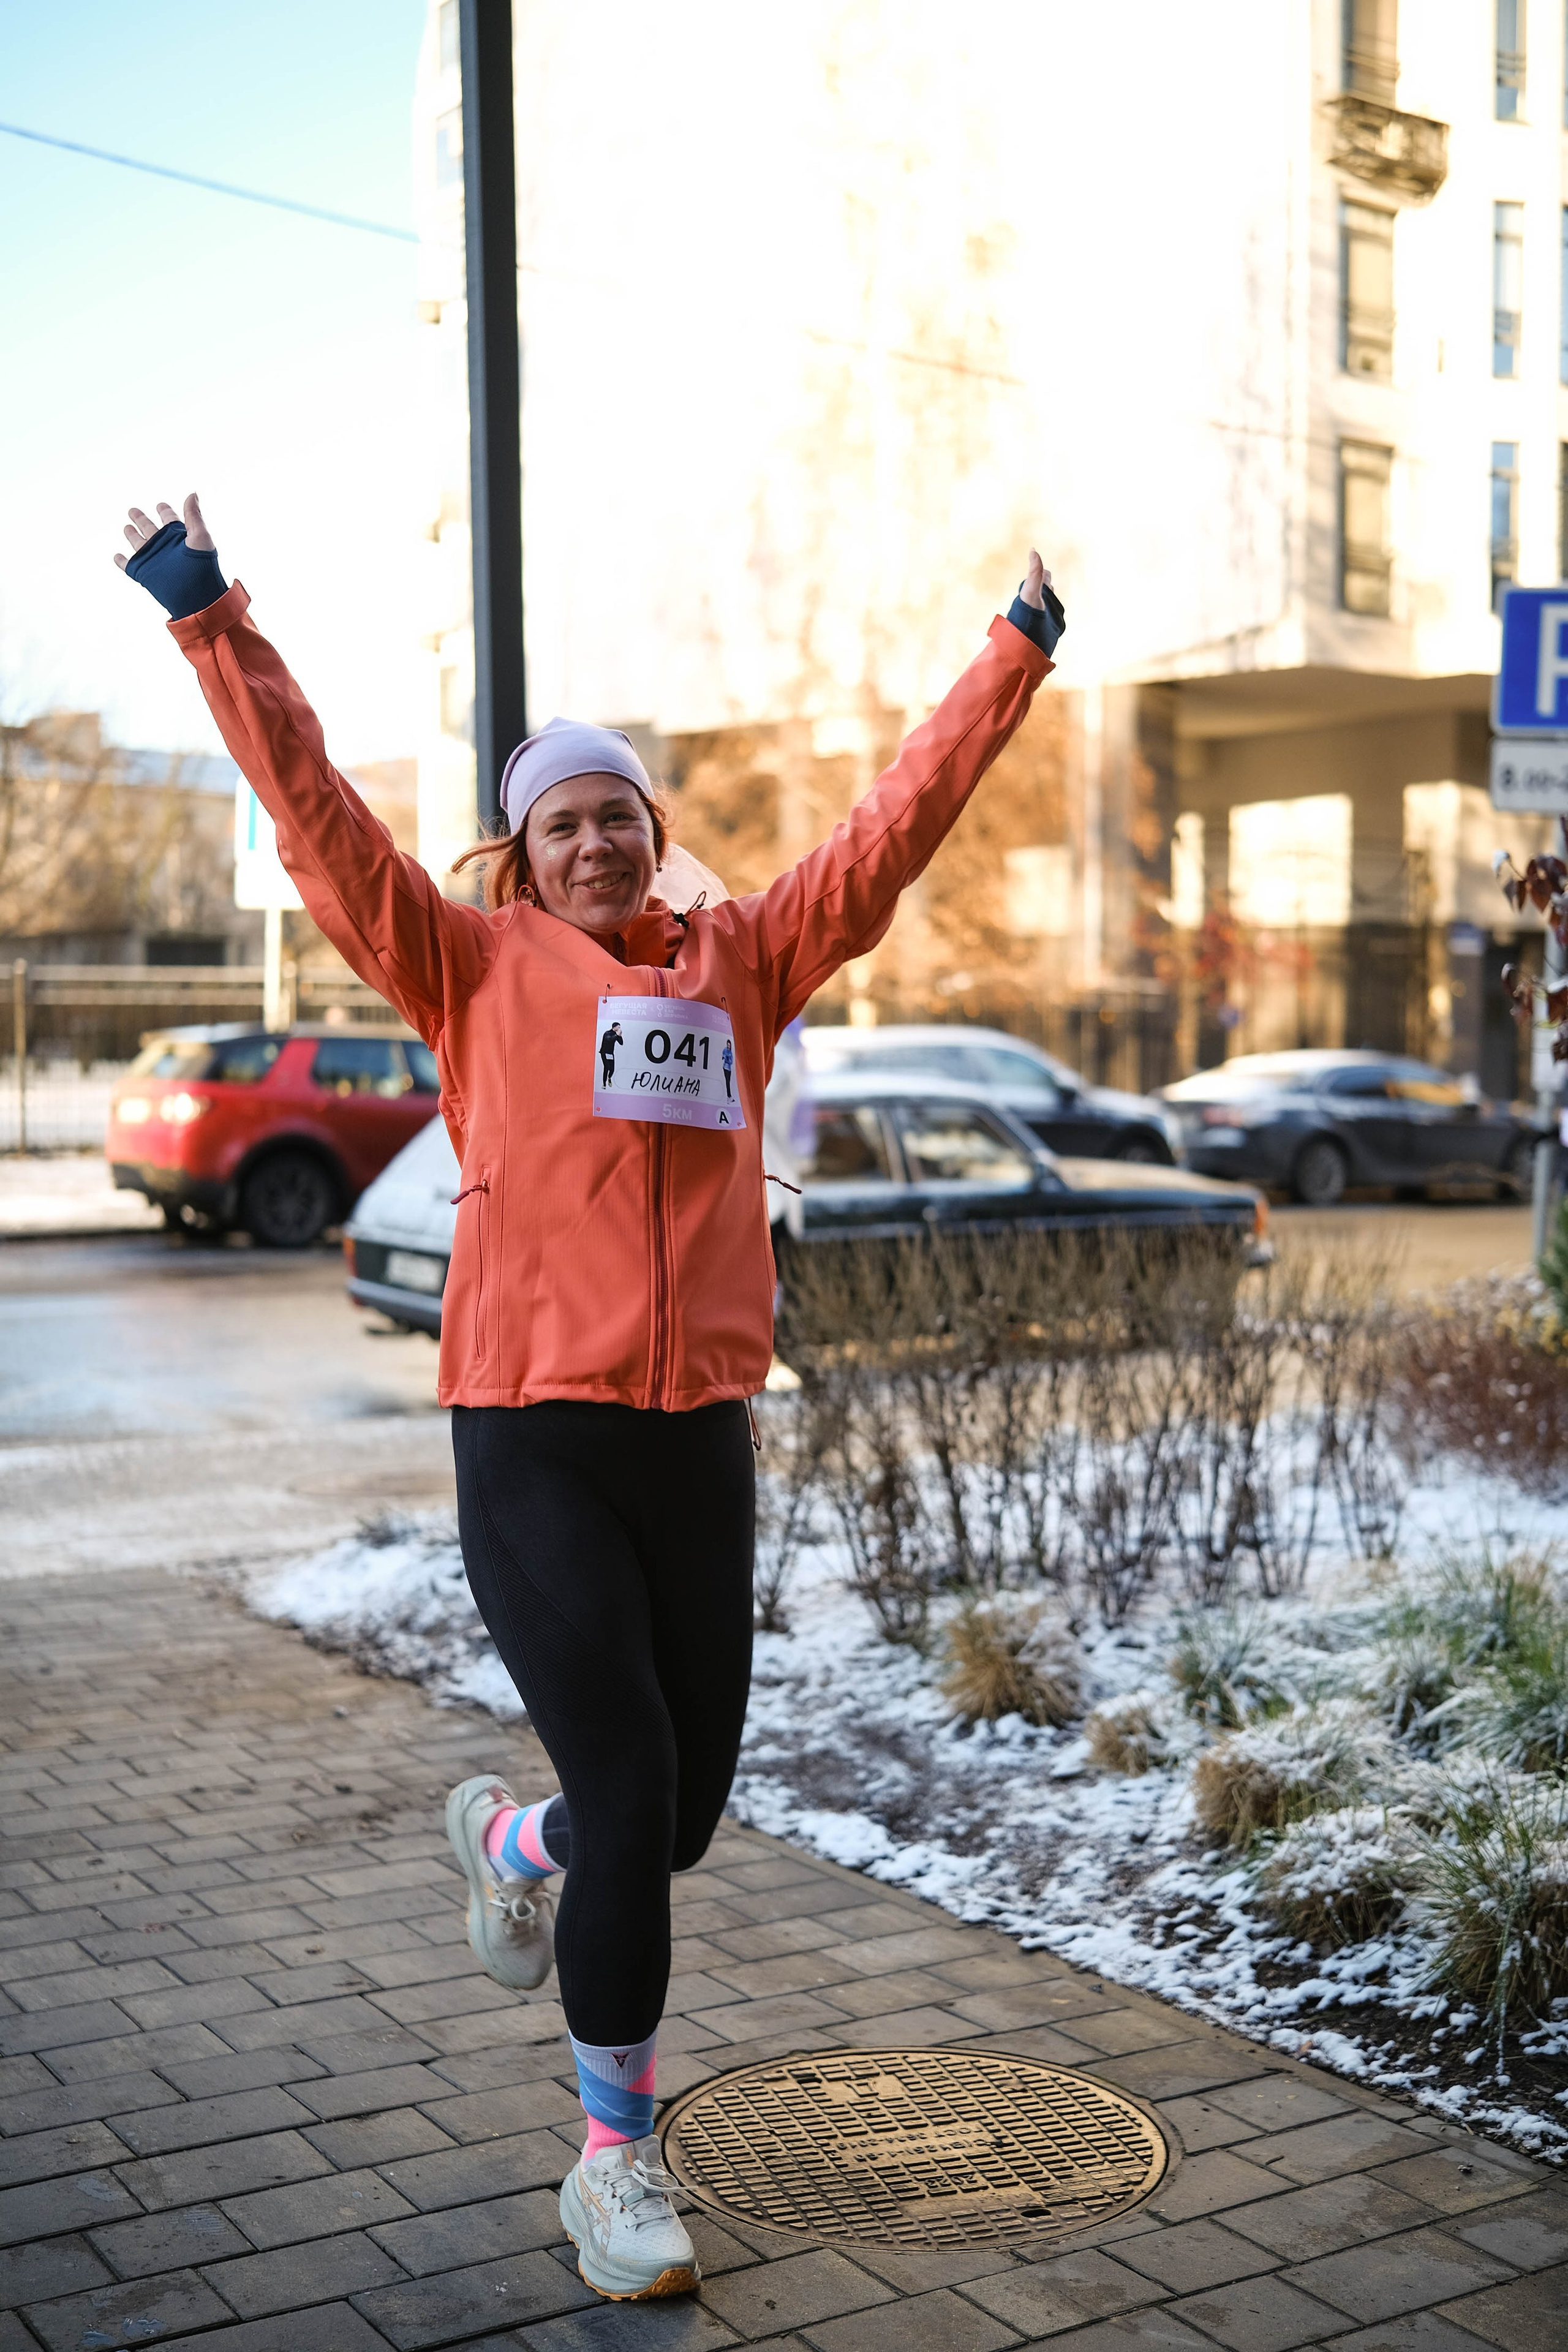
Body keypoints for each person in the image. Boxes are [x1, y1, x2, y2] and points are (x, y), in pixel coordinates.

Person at [115, 492, 1065, 2301]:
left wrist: (1010, 656)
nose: (596, 841)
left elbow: (894, 828)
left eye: (618, 813)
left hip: (698, 1435)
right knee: (633, 1786)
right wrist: (208, 616)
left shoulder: (748, 962)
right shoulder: (466, 969)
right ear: (523, 859)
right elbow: (317, 816)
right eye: (562, 822)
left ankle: (510, 1838)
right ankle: (613, 2165)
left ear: (655, 836)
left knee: (674, 1817)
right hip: (533, 1432)